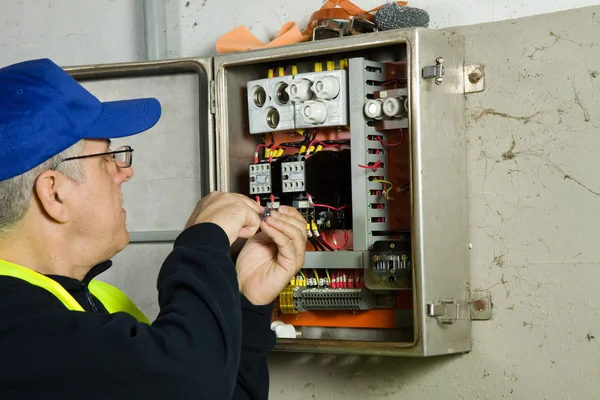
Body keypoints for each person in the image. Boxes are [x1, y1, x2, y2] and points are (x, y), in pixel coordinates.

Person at [0, 58, 307, 399]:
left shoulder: (97, 302)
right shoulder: (12, 324)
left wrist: (246, 302)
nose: (124, 171)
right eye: (107, 158)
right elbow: (191, 383)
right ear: (54, 193)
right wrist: (203, 242)